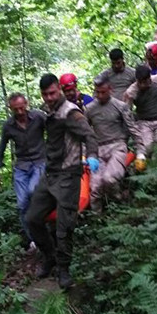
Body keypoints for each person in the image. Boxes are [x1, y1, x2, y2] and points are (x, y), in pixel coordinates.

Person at [26, 73, 99, 289]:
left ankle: (64, 269)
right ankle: (49, 257)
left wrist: (92, 155)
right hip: (49, 175)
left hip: (68, 174)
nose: (49, 97)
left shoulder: (70, 112)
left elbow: (89, 135)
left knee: (64, 227)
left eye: (52, 92)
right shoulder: (49, 110)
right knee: (32, 219)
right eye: (45, 94)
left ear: (59, 89)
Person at [0, 93, 46, 248]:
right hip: (21, 166)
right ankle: (33, 239)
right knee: (22, 204)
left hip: (40, 162)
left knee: (32, 191)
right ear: (11, 109)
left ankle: (45, 224)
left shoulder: (38, 117)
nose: (20, 112)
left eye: (22, 108)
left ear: (26, 104)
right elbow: (1, 147)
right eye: (16, 110)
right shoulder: (8, 126)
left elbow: (54, 130)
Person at [86, 74, 143, 213]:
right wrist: (85, 154)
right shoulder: (89, 109)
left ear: (110, 89)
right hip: (98, 150)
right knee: (95, 187)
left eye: (103, 92)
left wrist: (141, 152)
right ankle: (97, 219)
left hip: (117, 146)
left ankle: (120, 202)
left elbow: (133, 129)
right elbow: (84, 134)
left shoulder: (121, 106)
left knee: (109, 179)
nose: (99, 95)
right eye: (97, 92)